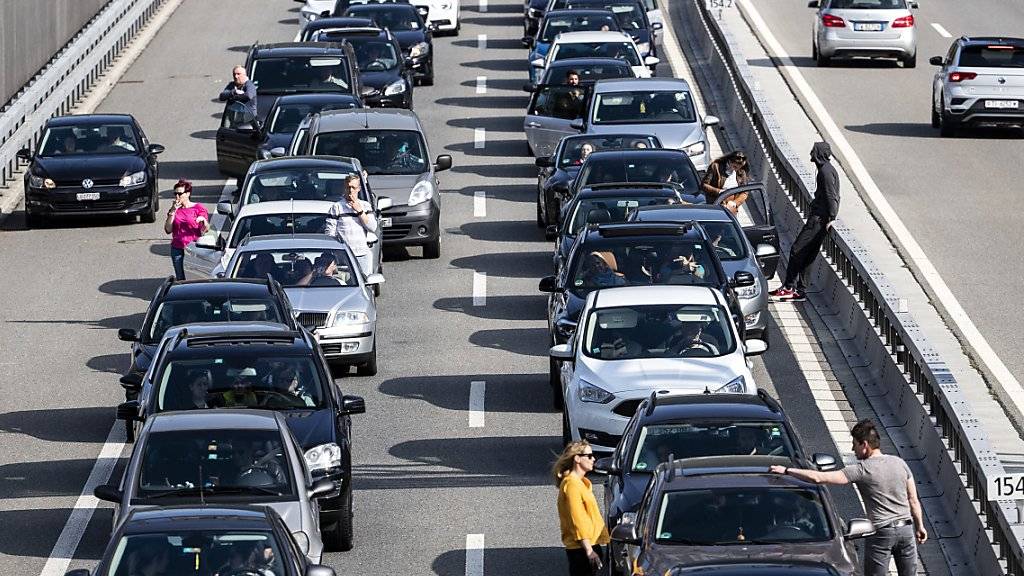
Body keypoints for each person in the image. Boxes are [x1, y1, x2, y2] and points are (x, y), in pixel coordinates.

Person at [769, 419, 926, 576]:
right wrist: (920, 526)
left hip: (881, 533)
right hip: (906, 529)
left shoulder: (861, 470)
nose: (853, 448)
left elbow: (819, 478)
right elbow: (913, 499)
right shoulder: (900, 463)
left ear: (864, 445)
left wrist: (787, 471)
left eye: (855, 444)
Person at [769, 141, 840, 302]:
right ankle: (800, 290)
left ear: (818, 154)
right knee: (809, 255)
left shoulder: (825, 173)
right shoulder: (827, 170)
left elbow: (831, 196)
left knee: (797, 250)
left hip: (819, 219)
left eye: (813, 152)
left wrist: (832, 217)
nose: (810, 155)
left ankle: (789, 287)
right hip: (822, 217)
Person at [553, 441, 609, 576]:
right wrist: (589, 550)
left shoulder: (581, 483)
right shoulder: (572, 485)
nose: (593, 459)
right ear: (577, 459)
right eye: (589, 456)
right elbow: (577, 519)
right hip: (582, 549)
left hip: (588, 545)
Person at [324, 174, 378, 276]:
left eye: (353, 187)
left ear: (358, 189)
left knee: (365, 282)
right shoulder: (337, 207)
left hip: (362, 254)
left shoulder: (365, 206)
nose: (350, 190)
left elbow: (372, 227)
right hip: (344, 256)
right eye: (348, 187)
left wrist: (360, 211)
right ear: (344, 188)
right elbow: (330, 233)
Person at [164, 179, 210, 281]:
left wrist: (203, 221)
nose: (177, 197)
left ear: (188, 194)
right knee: (181, 278)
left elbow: (206, 228)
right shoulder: (174, 210)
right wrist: (173, 211)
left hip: (193, 248)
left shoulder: (198, 208)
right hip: (177, 248)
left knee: (195, 277)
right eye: (175, 194)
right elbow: (168, 229)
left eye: (180, 194)